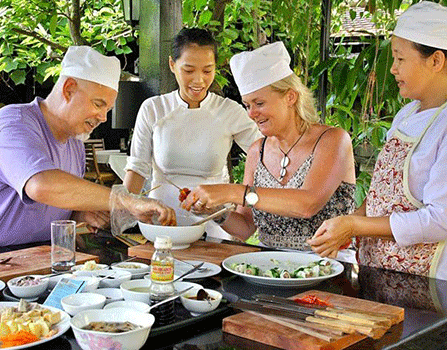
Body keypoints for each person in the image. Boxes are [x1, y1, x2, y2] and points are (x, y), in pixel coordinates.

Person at [0, 46, 176, 250]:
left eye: (108, 109)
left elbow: (53, 202)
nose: (103, 118)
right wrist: (126, 201)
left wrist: (78, 214)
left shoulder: (76, 143)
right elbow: (41, 185)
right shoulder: (12, 123)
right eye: (98, 104)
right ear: (68, 89)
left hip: (39, 260)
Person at [308, 1, 447, 281]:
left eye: (400, 59)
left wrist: (355, 225)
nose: (393, 69)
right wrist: (347, 227)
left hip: (427, 282)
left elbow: (440, 220)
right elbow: (381, 196)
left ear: (436, 61)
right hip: (381, 272)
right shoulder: (407, 114)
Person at [181, 41, 356, 249]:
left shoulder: (332, 140)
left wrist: (232, 192)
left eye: (259, 103)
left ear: (290, 97)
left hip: (327, 267)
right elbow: (245, 228)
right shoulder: (258, 150)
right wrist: (214, 212)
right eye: (247, 105)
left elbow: (307, 205)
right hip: (267, 265)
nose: (251, 114)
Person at [123, 28, 261, 239]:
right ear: (172, 65)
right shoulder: (153, 109)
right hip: (162, 224)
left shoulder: (229, 111)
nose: (198, 80)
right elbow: (137, 170)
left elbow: (265, 153)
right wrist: (122, 213)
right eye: (188, 70)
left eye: (207, 71)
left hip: (214, 224)